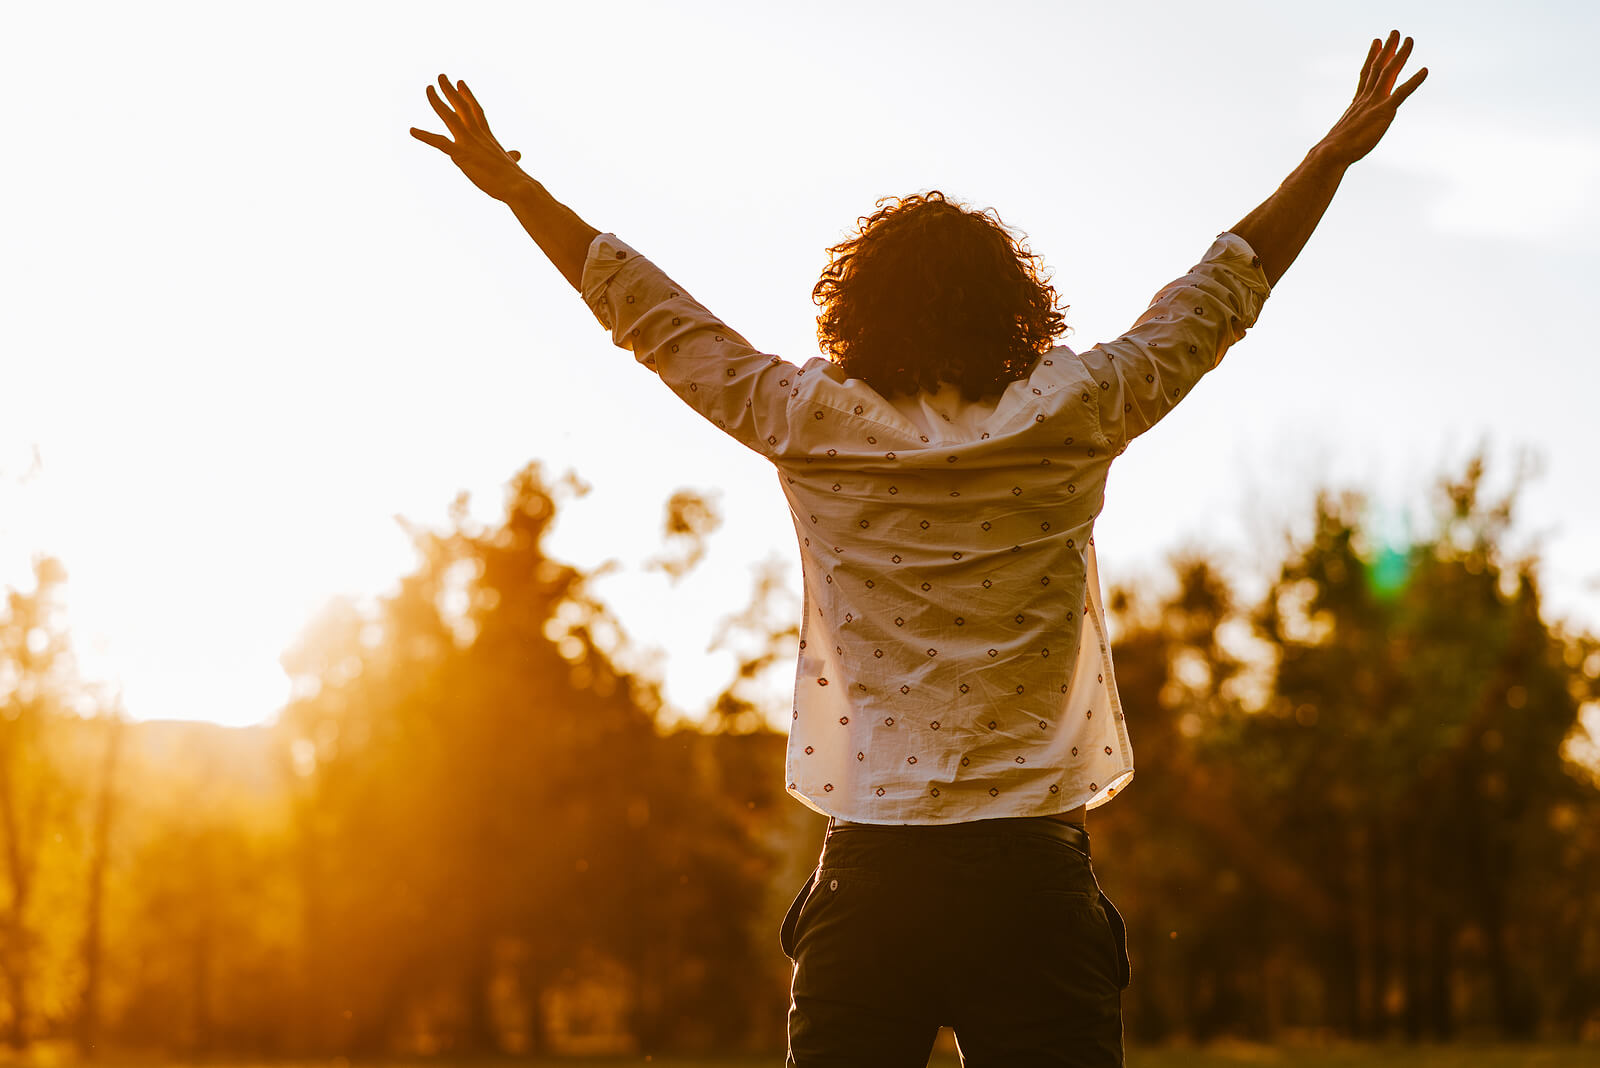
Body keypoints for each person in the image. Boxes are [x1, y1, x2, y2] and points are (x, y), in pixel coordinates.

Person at [411, 29, 1426, 1067]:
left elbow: (649, 314)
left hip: (873, 884)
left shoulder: (808, 419)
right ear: (1016, 309)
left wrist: (516, 194)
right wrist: (1327, 159)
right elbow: (1225, 290)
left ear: (855, 312)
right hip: (1032, 880)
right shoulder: (1076, 409)